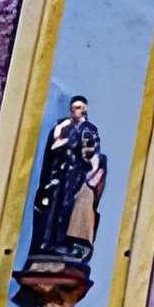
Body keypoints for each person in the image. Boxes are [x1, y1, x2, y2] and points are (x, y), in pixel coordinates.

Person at [26, 96, 107, 266]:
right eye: (75, 107)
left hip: (75, 174)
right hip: (57, 174)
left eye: (80, 107)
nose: (77, 110)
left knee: (66, 209)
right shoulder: (61, 127)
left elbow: (90, 153)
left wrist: (86, 166)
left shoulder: (88, 129)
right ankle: (46, 244)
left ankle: (62, 243)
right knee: (49, 210)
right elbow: (52, 148)